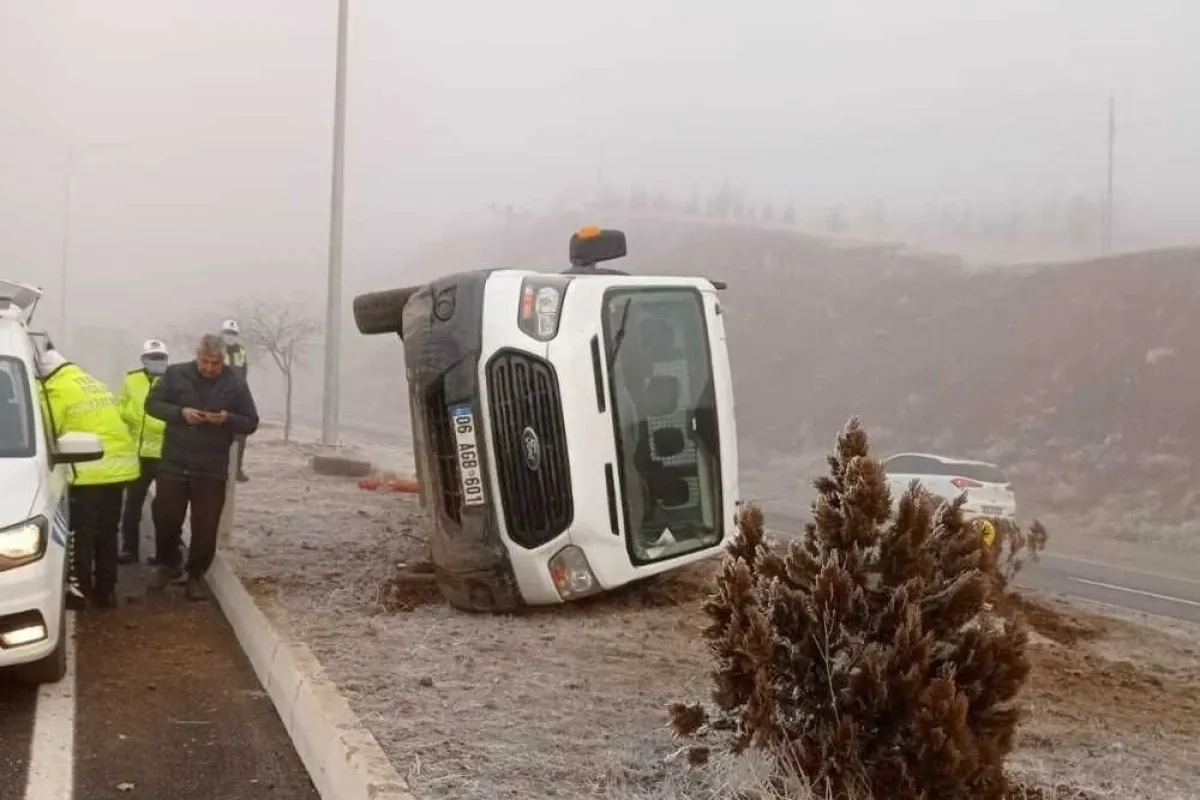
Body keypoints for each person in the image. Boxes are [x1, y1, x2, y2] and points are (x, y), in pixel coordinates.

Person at [146, 333, 259, 600]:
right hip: (174, 462)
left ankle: (195, 575)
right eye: (205, 361)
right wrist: (180, 413)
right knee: (166, 518)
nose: (209, 368)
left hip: (211, 467)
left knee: (205, 526)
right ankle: (168, 564)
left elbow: (250, 422)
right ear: (197, 356)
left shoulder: (235, 382)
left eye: (215, 363)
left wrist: (226, 419)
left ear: (223, 360)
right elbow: (152, 405)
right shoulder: (175, 374)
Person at [37, 348, 141, 609]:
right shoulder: (89, 380)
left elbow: (47, 431)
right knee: (107, 531)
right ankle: (106, 592)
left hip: (89, 470)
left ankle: (80, 590)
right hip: (118, 469)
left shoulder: (54, 389)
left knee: (81, 533)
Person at [117, 339, 169, 565]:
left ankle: (165, 554)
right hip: (138, 454)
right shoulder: (132, 379)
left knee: (165, 509)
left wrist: (160, 425)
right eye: (153, 357)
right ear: (144, 360)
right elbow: (121, 405)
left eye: (162, 357)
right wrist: (128, 413)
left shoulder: (173, 381)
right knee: (132, 505)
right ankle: (129, 549)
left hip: (164, 454)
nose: (158, 361)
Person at [220, 319, 250, 482]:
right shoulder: (216, 350)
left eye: (233, 333)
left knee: (240, 435)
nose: (230, 336)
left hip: (237, 398)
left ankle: (236, 469)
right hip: (219, 397)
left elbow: (244, 374)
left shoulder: (241, 351)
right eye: (227, 333)